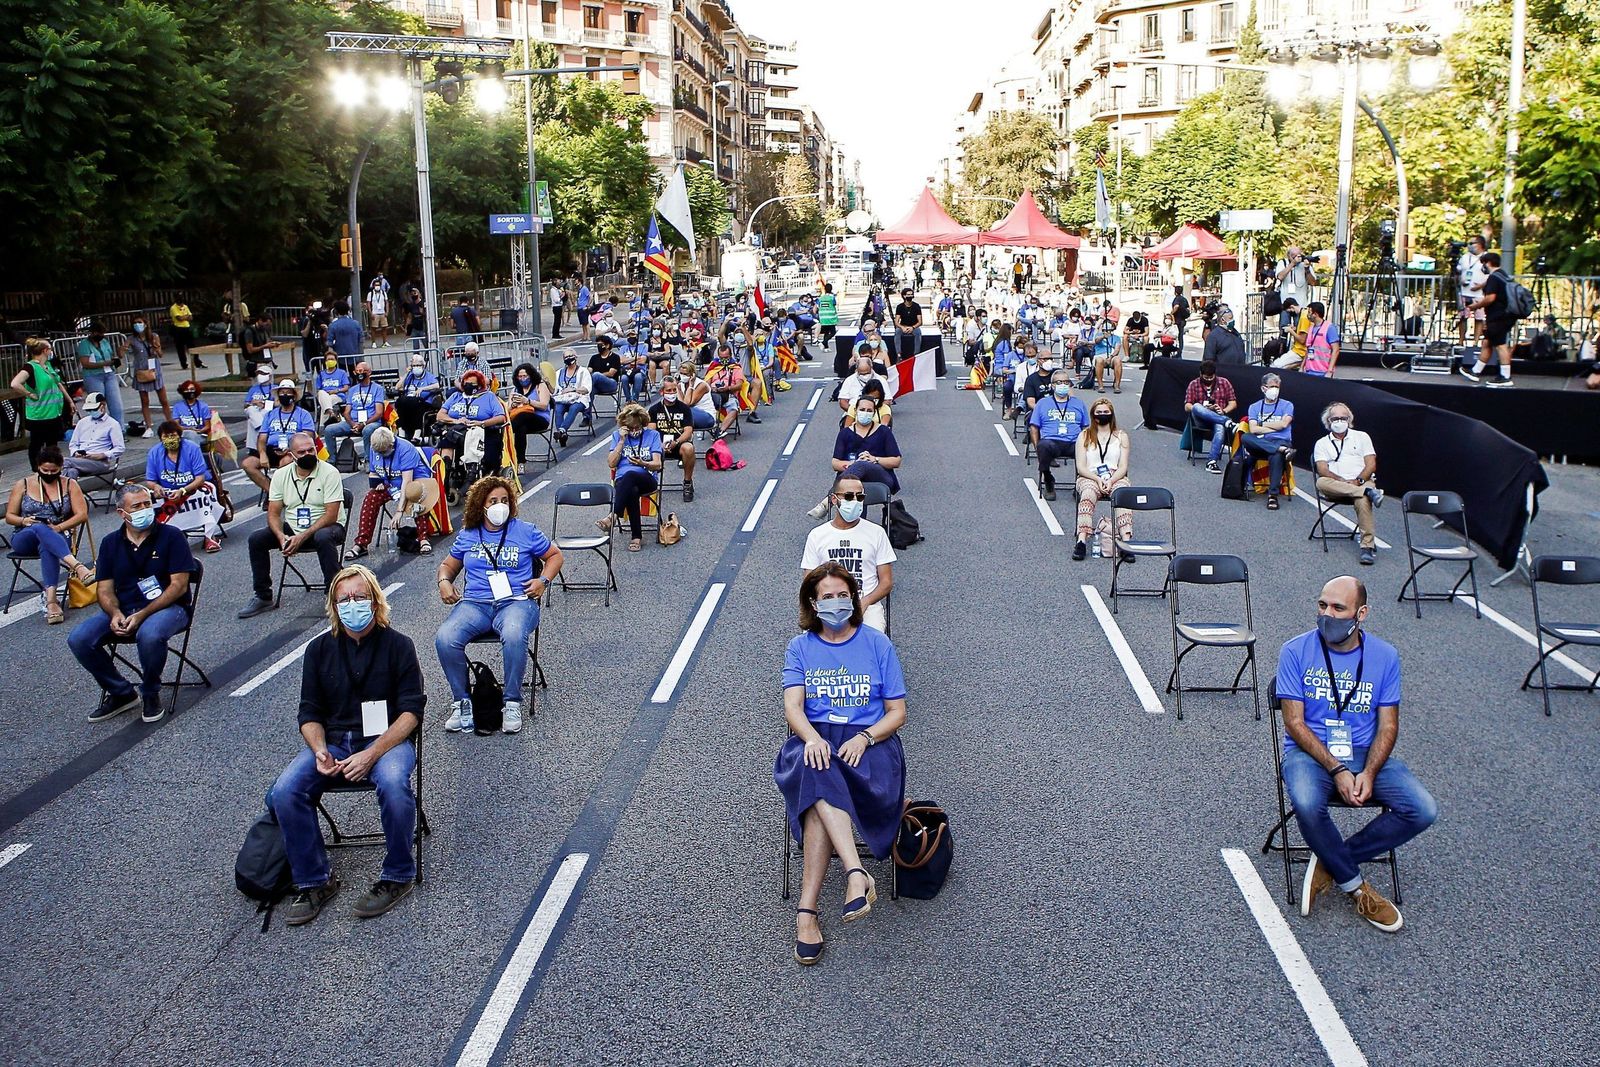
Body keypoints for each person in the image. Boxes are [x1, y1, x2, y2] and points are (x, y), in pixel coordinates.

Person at [1277, 575, 1435, 933]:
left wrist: (1369, 772)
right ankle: (1356, 887)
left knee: (1423, 808)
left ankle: (1330, 858)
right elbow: (1294, 724)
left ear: (1361, 613)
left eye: (1338, 608)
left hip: (1365, 755)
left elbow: (1389, 726)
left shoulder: (1384, 656)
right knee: (1305, 800)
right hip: (1311, 755)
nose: (1327, 615)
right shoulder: (1295, 651)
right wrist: (1336, 769)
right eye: (1322, 606)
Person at [272, 565, 425, 924]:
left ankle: (398, 874)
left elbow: (411, 713)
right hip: (336, 742)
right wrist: (319, 749)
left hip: (385, 741)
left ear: (375, 601)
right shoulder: (319, 650)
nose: (352, 604)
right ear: (334, 605)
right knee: (284, 792)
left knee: (392, 783)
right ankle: (315, 880)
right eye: (344, 599)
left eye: (359, 597)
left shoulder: (399, 646)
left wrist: (372, 753)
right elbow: (309, 712)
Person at [774, 563, 908, 965]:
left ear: (853, 598)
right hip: (815, 739)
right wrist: (812, 737)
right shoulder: (800, 647)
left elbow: (897, 712)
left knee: (818, 786)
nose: (837, 602)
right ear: (813, 604)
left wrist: (865, 737)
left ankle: (807, 912)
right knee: (817, 765)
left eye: (842, 594)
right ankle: (855, 873)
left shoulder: (877, 644)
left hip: (870, 743)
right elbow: (792, 707)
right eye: (827, 596)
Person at [434, 477, 563, 734]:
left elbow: (555, 555)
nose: (500, 506)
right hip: (476, 603)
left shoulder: (525, 531)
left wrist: (543, 581)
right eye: (493, 501)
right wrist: (444, 582)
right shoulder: (469, 535)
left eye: (505, 500)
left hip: (516, 602)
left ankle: (512, 701)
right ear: (481, 505)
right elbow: (448, 566)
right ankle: (462, 702)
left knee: (514, 634)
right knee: (445, 637)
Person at [69, 483, 196, 724]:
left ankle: (150, 691)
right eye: (136, 506)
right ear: (122, 513)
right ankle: (121, 692)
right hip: (126, 608)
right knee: (79, 638)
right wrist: (115, 612)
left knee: (149, 634)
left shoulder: (172, 536)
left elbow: (178, 585)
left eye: (147, 504)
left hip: (169, 607)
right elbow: (104, 589)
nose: (144, 509)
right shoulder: (110, 543)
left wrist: (143, 614)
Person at [238, 433, 349, 618]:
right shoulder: (281, 475)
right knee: (257, 539)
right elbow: (273, 513)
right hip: (294, 527)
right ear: (291, 454)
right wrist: (282, 536)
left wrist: (302, 537)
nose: (308, 454)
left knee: (323, 536)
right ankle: (263, 595)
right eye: (302, 452)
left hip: (327, 527)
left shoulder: (329, 472)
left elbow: (331, 515)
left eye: (311, 450)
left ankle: (333, 593)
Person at [4, 447, 95, 625]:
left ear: (61, 468)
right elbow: (9, 517)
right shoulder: (22, 484)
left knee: (47, 544)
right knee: (40, 528)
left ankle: (51, 601)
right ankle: (77, 566)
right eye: (45, 471)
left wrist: (59, 526)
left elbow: (82, 515)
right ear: (38, 467)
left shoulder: (69, 484)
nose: (49, 474)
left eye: (54, 471)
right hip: (26, 534)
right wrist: (24, 521)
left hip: (58, 534)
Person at [801, 474, 896, 632]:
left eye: (860, 497)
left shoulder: (877, 533)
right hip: (828, 604)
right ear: (834, 500)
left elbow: (886, 582)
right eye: (848, 496)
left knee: (872, 640)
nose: (855, 501)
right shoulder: (817, 535)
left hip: (866, 604)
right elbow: (809, 581)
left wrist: (864, 602)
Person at [1312, 403, 1384, 565]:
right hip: (1337, 486)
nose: (1339, 421)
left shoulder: (1362, 437)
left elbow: (1371, 464)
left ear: (1349, 420)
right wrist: (1342, 481)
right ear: (1328, 421)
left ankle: (1367, 547)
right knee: (1321, 482)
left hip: (1362, 481)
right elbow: (1322, 469)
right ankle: (1368, 493)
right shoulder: (1321, 443)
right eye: (1335, 418)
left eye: (1343, 418)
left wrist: (1358, 481)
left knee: (1362, 499)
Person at [144, 421, 224, 553]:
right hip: (168, 490)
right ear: (160, 438)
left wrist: (183, 490)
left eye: (173, 435)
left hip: (193, 487)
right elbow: (150, 480)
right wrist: (156, 487)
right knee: (151, 500)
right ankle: (166, 538)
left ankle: (210, 537)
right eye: (166, 436)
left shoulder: (192, 448)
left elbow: (200, 478)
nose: (170, 439)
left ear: (180, 436)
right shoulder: (154, 452)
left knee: (202, 494)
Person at [1072, 397, 1133, 562]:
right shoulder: (1084, 436)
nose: (1103, 415)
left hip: (1115, 475)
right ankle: (1082, 540)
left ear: (1111, 414)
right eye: (1099, 412)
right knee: (1087, 495)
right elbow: (1081, 467)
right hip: (1090, 475)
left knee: (1123, 495)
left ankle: (1126, 542)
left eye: (1106, 412)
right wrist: (1098, 480)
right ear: (1093, 415)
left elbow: (1123, 466)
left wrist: (1111, 480)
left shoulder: (1121, 436)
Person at [597, 403, 663, 553]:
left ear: (643, 424)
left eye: (637, 427)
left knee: (631, 475)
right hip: (623, 482)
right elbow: (611, 463)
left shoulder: (652, 435)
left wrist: (643, 463)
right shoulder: (617, 436)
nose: (634, 431)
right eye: (630, 428)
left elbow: (658, 464)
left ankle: (612, 516)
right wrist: (621, 441)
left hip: (647, 477)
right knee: (631, 489)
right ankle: (636, 537)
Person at [245, 380, 318, 494]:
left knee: (286, 462)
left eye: (288, 392)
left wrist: (290, 449)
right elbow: (262, 438)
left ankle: (278, 494)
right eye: (282, 392)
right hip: (272, 449)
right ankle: (272, 492)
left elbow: (307, 438)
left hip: (293, 451)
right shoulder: (270, 414)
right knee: (248, 464)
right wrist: (263, 454)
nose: (284, 395)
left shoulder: (303, 414)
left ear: (294, 395)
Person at [12, 338, 73, 469]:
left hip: (53, 412)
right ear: (45, 350)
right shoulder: (30, 367)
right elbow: (15, 383)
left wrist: (70, 401)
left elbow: (58, 384)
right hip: (39, 415)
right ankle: (36, 469)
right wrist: (28, 394)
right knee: (36, 443)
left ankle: (53, 467)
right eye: (50, 349)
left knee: (52, 444)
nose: (51, 351)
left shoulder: (48, 366)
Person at [1029, 369, 1089, 501]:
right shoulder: (1042, 404)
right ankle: (1048, 479)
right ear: (1053, 385)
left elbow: (1086, 427)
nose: (1063, 385)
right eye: (1059, 382)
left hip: (1074, 442)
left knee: (1087, 449)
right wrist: (1036, 446)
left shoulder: (1078, 404)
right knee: (1043, 446)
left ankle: (1080, 484)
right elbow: (1034, 427)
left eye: (1066, 382)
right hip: (1052, 441)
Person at [1238, 372, 1296, 510]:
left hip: (1281, 441)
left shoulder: (1287, 405)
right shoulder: (1255, 407)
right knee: (1245, 437)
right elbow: (1252, 429)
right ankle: (1280, 450)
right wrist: (1273, 428)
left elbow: (1284, 425)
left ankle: (1272, 496)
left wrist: (1262, 426)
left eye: (1277, 386)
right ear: (1263, 388)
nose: (1274, 389)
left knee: (1276, 455)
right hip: (1260, 444)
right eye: (1271, 386)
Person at [435, 369, 507, 476]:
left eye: (471, 384)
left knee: (478, 443)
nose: (467, 386)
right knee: (448, 440)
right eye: (465, 383)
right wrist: (456, 421)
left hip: (482, 431)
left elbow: (501, 417)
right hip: (459, 430)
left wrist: (482, 423)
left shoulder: (489, 397)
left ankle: (472, 474)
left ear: (479, 385)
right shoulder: (456, 396)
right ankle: (446, 472)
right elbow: (440, 415)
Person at [829, 396, 902, 498]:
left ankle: (827, 501)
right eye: (862, 410)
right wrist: (853, 464)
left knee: (863, 465)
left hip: (880, 477)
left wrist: (874, 459)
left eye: (869, 410)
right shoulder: (845, 433)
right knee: (855, 481)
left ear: (874, 412)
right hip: (852, 479)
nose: (865, 413)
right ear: (856, 410)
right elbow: (835, 463)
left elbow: (896, 461)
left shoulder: (884, 432)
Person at [1461, 251, 1516, 387]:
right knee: (1487, 342)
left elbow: (1490, 298)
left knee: (1500, 344)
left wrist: (1475, 306)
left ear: (1488, 263)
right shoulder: (1504, 276)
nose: (1482, 267)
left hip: (1498, 316)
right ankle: (1476, 371)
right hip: (1504, 315)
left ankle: (1505, 376)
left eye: (1483, 264)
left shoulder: (1494, 278)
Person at [323, 361, 388, 459]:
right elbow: (346, 412)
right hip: (353, 422)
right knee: (329, 430)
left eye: (361, 371)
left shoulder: (377, 389)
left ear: (369, 372)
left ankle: (368, 460)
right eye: (356, 371)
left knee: (367, 430)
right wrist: (353, 424)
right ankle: (332, 459)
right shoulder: (352, 390)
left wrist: (364, 424)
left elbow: (379, 413)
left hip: (371, 422)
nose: (359, 374)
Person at [1184, 360, 1239, 474]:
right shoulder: (1194, 384)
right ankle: (1228, 422)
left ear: (1215, 374)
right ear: (1200, 374)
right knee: (1197, 407)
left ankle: (1211, 462)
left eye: (1211, 377)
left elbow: (1233, 403)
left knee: (1220, 427)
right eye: (1206, 377)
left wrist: (1223, 410)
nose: (1208, 380)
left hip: (1219, 416)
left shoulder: (1224, 383)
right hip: (1201, 419)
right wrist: (1204, 409)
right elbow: (1187, 406)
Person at [648, 375, 697, 503]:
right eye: (669, 390)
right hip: (659, 445)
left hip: (678, 443)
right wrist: (659, 445)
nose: (672, 393)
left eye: (674, 390)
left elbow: (688, 431)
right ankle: (649, 483)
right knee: (645, 448)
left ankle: (687, 482)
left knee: (689, 448)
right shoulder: (654, 410)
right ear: (662, 392)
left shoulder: (684, 408)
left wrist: (676, 442)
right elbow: (651, 431)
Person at [62, 391, 125, 484]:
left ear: (102, 406)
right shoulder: (82, 422)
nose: (91, 412)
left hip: (99, 462)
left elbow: (120, 448)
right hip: (80, 460)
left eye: (94, 409)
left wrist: (103, 455)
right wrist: (75, 452)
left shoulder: (113, 424)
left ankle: (54, 491)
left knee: (64, 461)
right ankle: (69, 496)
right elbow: (73, 444)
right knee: (72, 472)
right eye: (89, 410)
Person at [76, 320, 127, 432]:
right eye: (99, 333)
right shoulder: (84, 344)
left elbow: (110, 355)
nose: (102, 336)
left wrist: (115, 359)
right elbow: (85, 363)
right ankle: (101, 431)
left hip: (109, 374)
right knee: (98, 404)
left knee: (116, 404)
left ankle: (120, 430)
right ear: (93, 333)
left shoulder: (104, 342)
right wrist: (105, 363)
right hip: (93, 376)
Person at [127, 314, 172, 436]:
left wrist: (156, 348)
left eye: (140, 322)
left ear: (145, 324)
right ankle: (148, 426)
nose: (137, 325)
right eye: (135, 323)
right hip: (141, 371)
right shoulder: (132, 339)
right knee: (144, 400)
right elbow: (122, 352)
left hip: (154, 369)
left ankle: (170, 423)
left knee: (163, 400)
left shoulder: (153, 337)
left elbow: (161, 354)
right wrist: (122, 349)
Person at [507, 363, 552, 471]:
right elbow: (508, 410)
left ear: (531, 375)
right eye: (520, 377)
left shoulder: (539, 386)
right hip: (522, 420)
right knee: (521, 428)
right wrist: (513, 405)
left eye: (525, 376)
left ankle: (506, 430)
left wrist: (528, 401)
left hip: (540, 419)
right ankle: (520, 462)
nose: (522, 379)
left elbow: (544, 405)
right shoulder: (515, 390)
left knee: (524, 415)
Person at [393, 352, 443, 441]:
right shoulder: (410, 376)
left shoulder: (428, 376)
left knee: (416, 403)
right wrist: (406, 374)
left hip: (424, 402)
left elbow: (436, 385)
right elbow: (397, 387)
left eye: (418, 365)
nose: (416, 367)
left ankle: (417, 433)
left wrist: (422, 389)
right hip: (408, 402)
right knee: (400, 403)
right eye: (414, 365)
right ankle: (401, 431)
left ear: (423, 366)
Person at [551, 352, 594, 447]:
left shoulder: (583, 371)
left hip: (579, 398)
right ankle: (563, 435)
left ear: (576, 357)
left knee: (574, 408)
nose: (568, 358)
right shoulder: (559, 373)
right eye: (566, 357)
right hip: (563, 398)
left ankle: (562, 430)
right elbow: (554, 391)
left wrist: (574, 389)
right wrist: (547, 383)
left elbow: (587, 389)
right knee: (558, 408)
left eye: (570, 356)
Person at [705, 345, 747, 439]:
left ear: (730, 355)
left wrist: (727, 388)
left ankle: (720, 431)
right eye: (721, 358)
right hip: (713, 395)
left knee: (733, 409)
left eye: (726, 357)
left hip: (729, 394)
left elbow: (739, 385)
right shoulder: (713, 367)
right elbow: (706, 384)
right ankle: (709, 427)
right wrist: (713, 389)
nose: (724, 360)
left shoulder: (736, 368)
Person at [1455, 236, 1488, 346]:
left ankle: (1475, 342)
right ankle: (1461, 340)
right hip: (1464, 291)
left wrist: (1481, 286)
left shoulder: (1487, 257)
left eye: (1472, 243)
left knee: (1479, 318)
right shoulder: (1464, 257)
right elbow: (1458, 271)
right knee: (1463, 317)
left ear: (1480, 244)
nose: (1470, 245)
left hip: (1479, 294)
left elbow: (1492, 275)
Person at [1276, 247, 1318, 325]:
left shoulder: (1304, 264)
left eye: (1298, 255)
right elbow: (1280, 277)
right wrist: (1292, 264)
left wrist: (1307, 269)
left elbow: (1312, 283)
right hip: (1285, 303)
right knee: (1284, 329)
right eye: (1293, 255)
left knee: (1300, 331)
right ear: (1288, 256)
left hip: (1301, 304)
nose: (1296, 258)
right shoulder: (1283, 263)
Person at [1299, 301, 1342, 377]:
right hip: (1309, 370)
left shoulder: (1329, 328)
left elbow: (1336, 349)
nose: (1307, 315)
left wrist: (1330, 371)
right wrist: (1302, 366)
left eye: (1309, 312)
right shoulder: (1311, 328)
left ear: (1315, 314)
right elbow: (1308, 349)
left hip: (1323, 371)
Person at [170, 379, 214, 450]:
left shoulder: (203, 406)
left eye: (192, 389)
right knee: (189, 434)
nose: (189, 392)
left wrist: (200, 431)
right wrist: (189, 429)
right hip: (183, 434)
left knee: (192, 436)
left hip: (200, 434)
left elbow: (207, 426)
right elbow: (176, 426)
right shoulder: (177, 407)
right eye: (186, 390)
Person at [313, 353, 353, 425]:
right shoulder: (321, 374)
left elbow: (346, 387)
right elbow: (318, 389)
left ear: (336, 361)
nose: (330, 361)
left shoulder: (342, 373)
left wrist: (336, 391)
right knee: (322, 394)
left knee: (324, 404)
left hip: (338, 395)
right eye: (328, 359)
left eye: (332, 359)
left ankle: (323, 427)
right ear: (325, 361)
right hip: (325, 395)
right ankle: (331, 413)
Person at [168, 297, 199, 372]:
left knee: (192, 346)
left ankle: (197, 362)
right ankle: (184, 364)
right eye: (180, 303)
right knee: (180, 347)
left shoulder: (185, 306)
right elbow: (179, 318)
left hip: (187, 328)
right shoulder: (173, 308)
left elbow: (191, 317)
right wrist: (186, 316)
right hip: (178, 328)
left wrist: (185, 317)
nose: (181, 304)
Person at [893, 287, 923, 362]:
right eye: (908, 294)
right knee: (897, 332)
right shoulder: (900, 307)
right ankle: (898, 354)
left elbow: (920, 322)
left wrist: (913, 327)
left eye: (911, 294)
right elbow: (896, 321)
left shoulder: (916, 306)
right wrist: (902, 327)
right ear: (904, 296)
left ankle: (916, 354)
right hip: (903, 326)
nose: (910, 296)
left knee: (918, 333)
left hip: (914, 327)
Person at [366, 274, 392, 347]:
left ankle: (385, 342)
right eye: (376, 285)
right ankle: (374, 342)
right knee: (374, 328)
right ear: (373, 286)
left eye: (378, 285)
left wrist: (387, 311)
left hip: (382, 312)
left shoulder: (383, 293)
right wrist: (371, 313)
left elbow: (386, 302)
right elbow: (368, 303)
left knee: (384, 327)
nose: (377, 286)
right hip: (375, 313)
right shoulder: (370, 294)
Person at [1170, 285, 1191, 356]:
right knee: (1180, 337)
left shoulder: (1177, 299)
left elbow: (1176, 306)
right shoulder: (1184, 299)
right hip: (1183, 320)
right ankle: (1180, 351)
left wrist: (1171, 313)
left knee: (1175, 336)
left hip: (1177, 320)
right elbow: (1188, 309)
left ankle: (1176, 351)